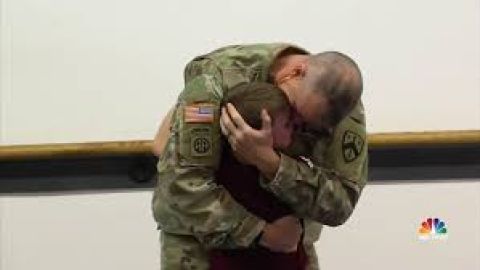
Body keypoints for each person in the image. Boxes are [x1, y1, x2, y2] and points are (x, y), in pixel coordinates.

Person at [152, 43, 368, 270]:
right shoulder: (217, 76)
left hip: (285, 246)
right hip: (199, 241)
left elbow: (339, 205)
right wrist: (261, 233)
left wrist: (270, 164)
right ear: (295, 72)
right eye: (290, 112)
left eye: (304, 126)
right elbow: (184, 183)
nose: (294, 126)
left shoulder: (339, 101)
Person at [211, 82, 306, 270]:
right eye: (287, 124)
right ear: (257, 131)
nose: (294, 127)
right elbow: (289, 237)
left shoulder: (222, 164)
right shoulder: (233, 173)